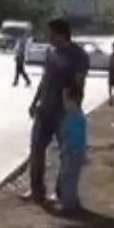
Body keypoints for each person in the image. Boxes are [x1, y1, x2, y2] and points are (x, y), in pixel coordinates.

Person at [26, 17, 89, 203]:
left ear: (61, 34)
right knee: (36, 150)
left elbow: (79, 83)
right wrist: (34, 101)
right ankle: (37, 191)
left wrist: (73, 107)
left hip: (64, 111)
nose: (48, 37)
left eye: (51, 34)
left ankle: (62, 193)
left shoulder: (78, 56)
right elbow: (45, 80)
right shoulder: (51, 53)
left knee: (65, 153)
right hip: (44, 108)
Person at [56, 85, 88, 214]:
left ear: (73, 101)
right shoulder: (77, 116)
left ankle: (68, 205)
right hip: (76, 153)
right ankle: (73, 201)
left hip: (72, 153)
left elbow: (74, 138)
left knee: (68, 178)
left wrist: (66, 148)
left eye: (66, 100)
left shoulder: (74, 118)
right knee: (72, 178)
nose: (64, 104)